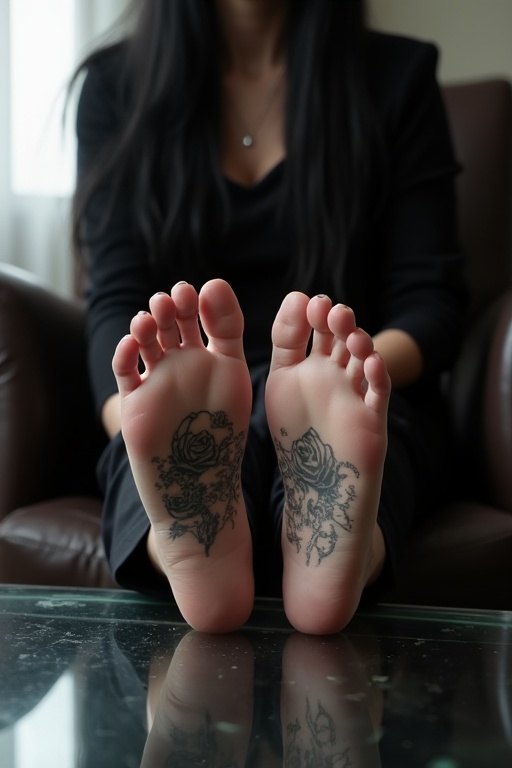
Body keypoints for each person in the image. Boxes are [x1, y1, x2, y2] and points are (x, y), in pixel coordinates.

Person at [71, 0, 466, 635]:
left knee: (364, 433)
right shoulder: (117, 88)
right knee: (154, 444)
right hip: (191, 386)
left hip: (348, 379)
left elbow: (432, 300)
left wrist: (359, 372)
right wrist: (131, 411)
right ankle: (190, 548)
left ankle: (335, 553)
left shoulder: (396, 77)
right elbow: (112, 306)